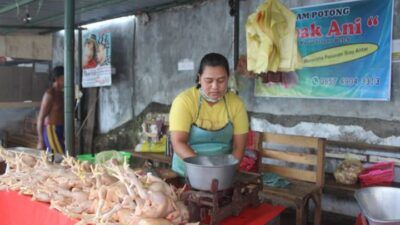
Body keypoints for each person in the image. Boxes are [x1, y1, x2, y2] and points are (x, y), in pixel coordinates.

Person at [169, 53, 249, 176]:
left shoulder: (236, 104)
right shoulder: (184, 101)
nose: (215, 87)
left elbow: (239, 147)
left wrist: (227, 172)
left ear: (228, 78)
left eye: (221, 80)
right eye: (209, 81)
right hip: (186, 173)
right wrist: (205, 169)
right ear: (199, 78)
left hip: (222, 173)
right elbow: (178, 142)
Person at [36, 66, 65, 154]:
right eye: (65, 77)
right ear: (57, 79)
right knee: (61, 158)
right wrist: (40, 140)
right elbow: (40, 118)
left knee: (55, 158)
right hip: (51, 130)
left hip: (59, 129)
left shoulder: (61, 93)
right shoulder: (49, 94)